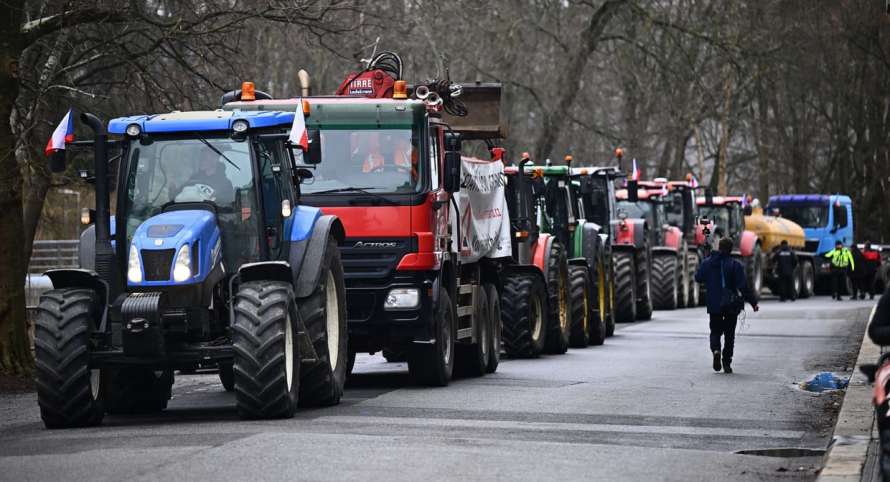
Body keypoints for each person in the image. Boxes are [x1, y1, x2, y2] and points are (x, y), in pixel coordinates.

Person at [695, 237, 759, 374]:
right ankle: (727, 362)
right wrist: (753, 303)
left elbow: (698, 278)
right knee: (730, 335)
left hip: (714, 305)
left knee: (715, 331)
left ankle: (716, 350)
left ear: (719, 247)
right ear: (731, 249)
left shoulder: (708, 263)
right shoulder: (736, 265)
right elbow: (743, 287)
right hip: (731, 305)